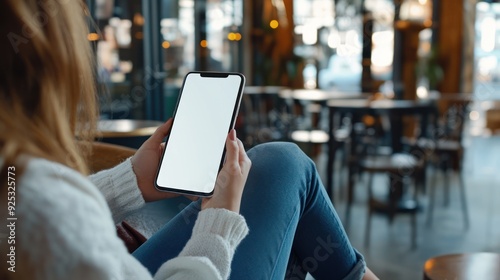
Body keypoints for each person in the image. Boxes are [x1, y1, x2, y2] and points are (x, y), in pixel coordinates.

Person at [0, 0, 379, 279]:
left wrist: (128, 181)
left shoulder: (23, 190)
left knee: (279, 162)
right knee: (284, 164)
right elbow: (44, 218)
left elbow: (41, 220)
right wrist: (218, 221)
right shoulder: (37, 201)